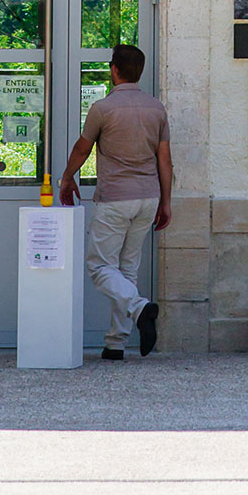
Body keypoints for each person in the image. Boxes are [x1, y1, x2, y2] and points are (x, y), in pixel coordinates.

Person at [57, 43, 171, 361]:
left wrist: (67, 179)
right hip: (148, 198)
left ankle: (139, 308)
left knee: (99, 266)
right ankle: (116, 343)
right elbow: (166, 161)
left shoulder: (102, 109)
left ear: (114, 70)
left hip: (114, 199)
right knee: (126, 270)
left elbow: (82, 149)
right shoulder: (156, 109)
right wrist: (166, 202)